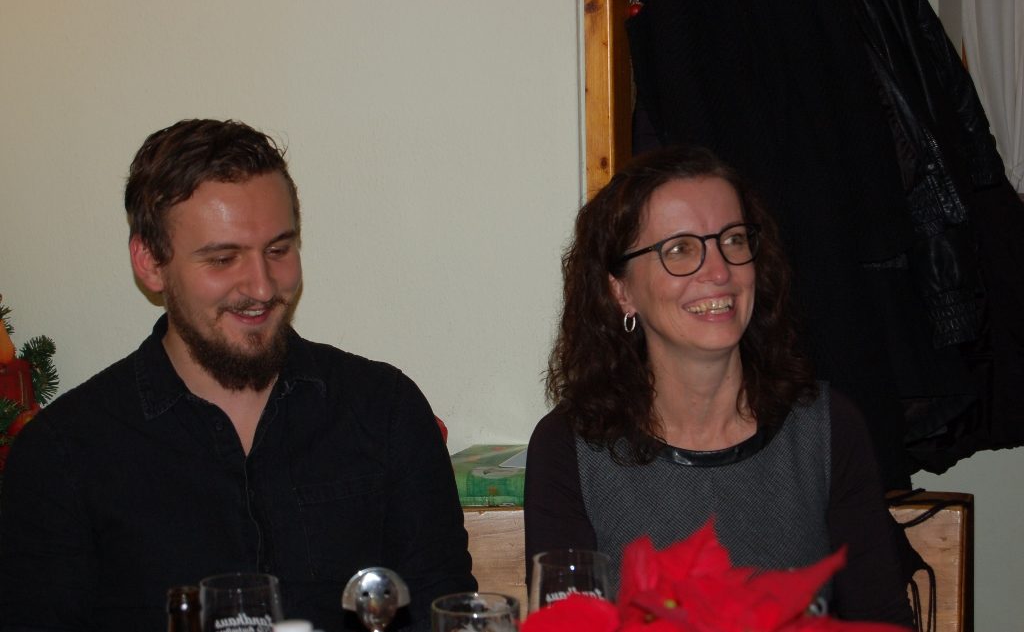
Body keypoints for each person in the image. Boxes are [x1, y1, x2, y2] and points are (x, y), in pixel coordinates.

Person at [0, 119, 475, 631]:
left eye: (278, 250)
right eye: (223, 258)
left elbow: (446, 614)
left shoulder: (385, 412)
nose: (262, 287)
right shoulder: (63, 455)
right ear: (151, 262)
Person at [525, 146, 913, 624]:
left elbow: (882, 620)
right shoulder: (568, 448)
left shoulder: (830, 430)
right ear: (621, 291)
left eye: (733, 240)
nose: (719, 271)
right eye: (680, 249)